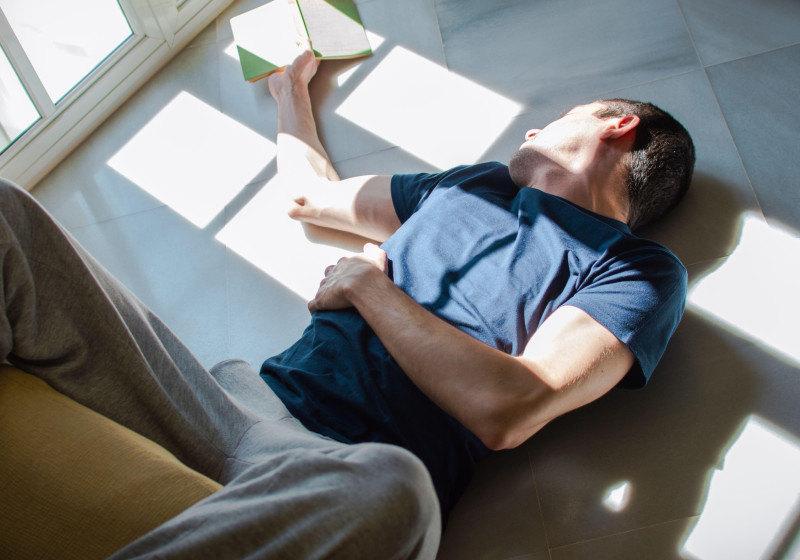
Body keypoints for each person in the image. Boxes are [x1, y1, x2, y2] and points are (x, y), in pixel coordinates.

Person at [0, 44, 694, 560]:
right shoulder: (472, 188)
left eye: (555, 119)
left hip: (342, 474)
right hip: (235, 408)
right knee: (9, 215)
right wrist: (288, 92)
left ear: (617, 127)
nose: (530, 131)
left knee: (394, 491)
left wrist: (368, 288)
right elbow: (310, 195)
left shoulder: (637, 270)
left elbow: (508, 407)